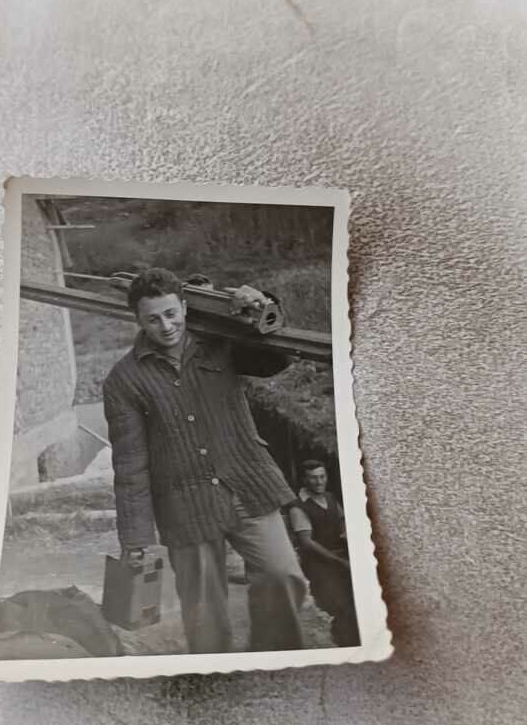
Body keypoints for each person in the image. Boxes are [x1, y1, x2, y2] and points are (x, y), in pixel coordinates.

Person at [102, 267, 309, 653]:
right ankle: (217, 679)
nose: (165, 326)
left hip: (247, 484)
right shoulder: (123, 381)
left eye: (170, 313)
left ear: (183, 306)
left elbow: (274, 360)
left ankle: (277, 659)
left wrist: (264, 305)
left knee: (283, 575)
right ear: (138, 320)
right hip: (184, 502)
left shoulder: (220, 343)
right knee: (204, 611)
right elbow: (130, 464)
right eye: (153, 319)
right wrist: (135, 538)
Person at [287, 459, 360, 647]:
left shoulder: (330, 497)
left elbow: (343, 522)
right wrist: (338, 561)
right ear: (304, 480)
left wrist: (348, 537)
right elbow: (307, 543)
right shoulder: (298, 507)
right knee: (341, 606)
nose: (319, 482)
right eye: (313, 478)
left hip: (341, 557)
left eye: (322, 476)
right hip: (319, 564)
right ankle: (346, 646)